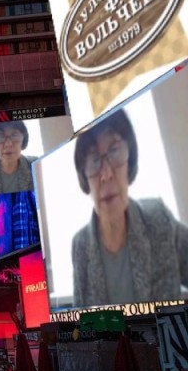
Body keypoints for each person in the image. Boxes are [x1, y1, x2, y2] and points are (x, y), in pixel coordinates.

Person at [71, 110, 188, 306]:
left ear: (130, 159)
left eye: (115, 151)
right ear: (84, 177)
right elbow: (80, 325)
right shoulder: (80, 245)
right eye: (93, 161)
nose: (106, 174)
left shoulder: (159, 219)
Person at [0, 121, 37, 195]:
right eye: (1, 137)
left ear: (23, 140)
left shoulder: (36, 165)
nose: (8, 144)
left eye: (14, 136)